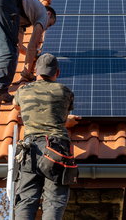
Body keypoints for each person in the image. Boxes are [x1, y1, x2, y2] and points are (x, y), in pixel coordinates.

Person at [13, 53, 80, 220]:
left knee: (26, 200)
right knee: (54, 200)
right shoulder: (64, 92)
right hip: (56, 148)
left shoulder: (23, 91)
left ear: (36, 72)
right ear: (56, 72)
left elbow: (16, 107)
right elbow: (63, 114)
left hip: (30, 149)